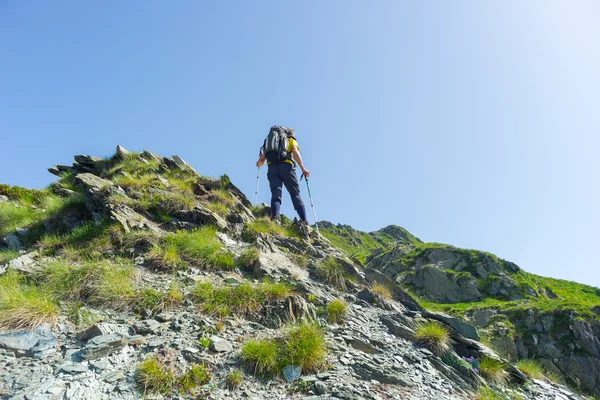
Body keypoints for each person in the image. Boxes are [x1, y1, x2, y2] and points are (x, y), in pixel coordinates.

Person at [256, 127, 310, 224]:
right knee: (295, 194)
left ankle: (275, 217)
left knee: (276, 193)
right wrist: (303, 168)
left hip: (272, 168)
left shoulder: (270, 142)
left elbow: (261, 160)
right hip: (287, 167)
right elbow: (295, 152)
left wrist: (258, 164)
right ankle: (304, 221)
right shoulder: (290, 140)